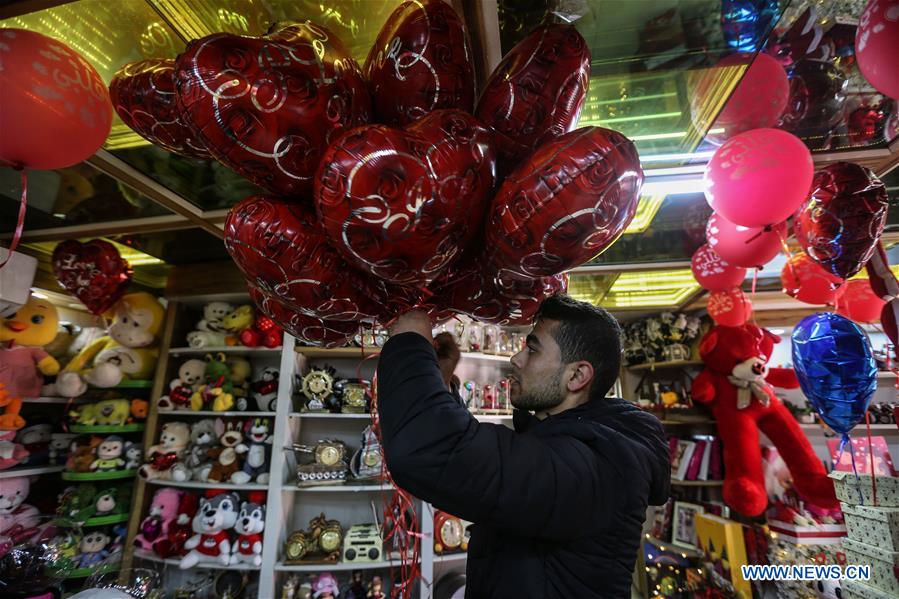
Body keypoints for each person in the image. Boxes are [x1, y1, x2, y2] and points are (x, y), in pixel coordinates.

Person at [377, 294, 671, 598]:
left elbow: (429, 450)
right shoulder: (569, 445)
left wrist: (410, 341)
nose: (515, 359)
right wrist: (440, 379)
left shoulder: (596, 467)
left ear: (577, 376)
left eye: (532, 349)